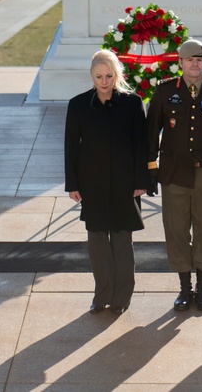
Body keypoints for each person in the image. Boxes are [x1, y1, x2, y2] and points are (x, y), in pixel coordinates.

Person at [146, 39, 202, 312]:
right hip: (174, 173)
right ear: (181, 63)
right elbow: (151, 133)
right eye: (189, 60)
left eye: (199, 59)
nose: (194, 64)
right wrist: (151, 169)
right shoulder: (165, 92)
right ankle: (184, 288)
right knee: (175, 230)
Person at [65, 49, 150, 315]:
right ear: (92, 76)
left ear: (117, 75)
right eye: (99, 76)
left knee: (123, 242)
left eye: (109, 76)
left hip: (126, 184)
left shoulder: (133, 103)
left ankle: (121, 297)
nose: (104, 81)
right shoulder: (77, 105)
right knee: (98, 242)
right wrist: (73, 184)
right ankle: (101, 295)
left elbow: (142, 145)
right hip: (93, 184)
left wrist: (141, 181)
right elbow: (71, 147)